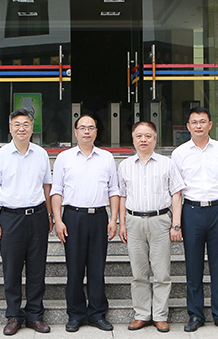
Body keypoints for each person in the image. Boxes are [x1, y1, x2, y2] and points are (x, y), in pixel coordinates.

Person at [0, 108, 53, 336]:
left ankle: (34, 315)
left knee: (37, 268)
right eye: (17, 124)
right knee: (11, 269)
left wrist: (50, 215)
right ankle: (13, 315)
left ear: (32, 128)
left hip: (37, 216)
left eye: (26, 124)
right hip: (10, 218)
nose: (21, 128)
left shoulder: (41, 154)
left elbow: (47, 186)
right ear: (10, 128)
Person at [171, 106, 218, 333]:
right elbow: (176, 192)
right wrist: (176, 223)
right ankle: (195, 314)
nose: (198, 125)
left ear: (210, 125)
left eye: (202, 121)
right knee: (193, 266)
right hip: (192, 212)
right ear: (188, 126)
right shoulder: (179, 153)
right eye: (194, 122)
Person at [51, 114, 120, 333]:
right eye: (82, 128)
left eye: (91, 127)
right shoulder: (64, 157)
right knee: (74, 269)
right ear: (76, 132)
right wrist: (58, 220)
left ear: (96, 132)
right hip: (73, 217)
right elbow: (56, 191)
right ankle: (75, 314)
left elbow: (114, 190)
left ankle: (97, 314)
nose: (87, 131)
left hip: (99, 217)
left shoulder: (106, 157)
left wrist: (113, 219)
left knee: (97, 268)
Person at [118, 121, 185, 333]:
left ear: (155, 139)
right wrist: (121, 223)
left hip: (160, 221)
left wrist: (176, 224)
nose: (143, 140)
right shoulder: (125, 165)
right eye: (139, 136)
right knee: (139, 272)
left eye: (148, 136)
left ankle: (160, 315)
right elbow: (122, 196)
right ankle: (141, 314)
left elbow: (176, 195)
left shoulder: (167, 163)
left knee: (161, 272)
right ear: (133, 140)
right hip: (134, 221)